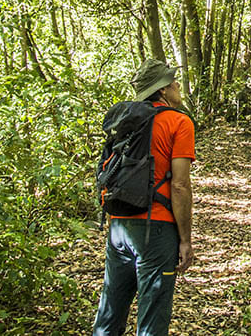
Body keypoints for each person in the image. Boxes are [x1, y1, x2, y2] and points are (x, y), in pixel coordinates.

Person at [93, 59, 196, 336]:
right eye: (172, 82)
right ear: (162, 90)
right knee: (152, 320)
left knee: (109, 314)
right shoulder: (179, 122)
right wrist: (185, 240)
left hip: (118, 225)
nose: (177, 85)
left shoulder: (126, 118)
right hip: (156, 229)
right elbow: (180, 185)